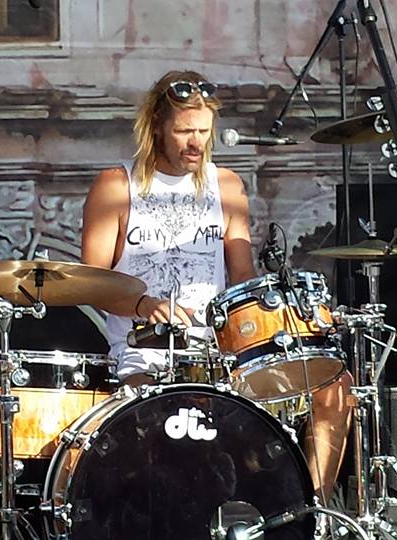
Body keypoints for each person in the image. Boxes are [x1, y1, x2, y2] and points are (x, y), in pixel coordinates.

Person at [80, 69, 352, 499]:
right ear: (156, 127)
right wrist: (144, 305)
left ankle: (313, 513)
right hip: (147, 355)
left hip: (221, 352)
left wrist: (288, 317)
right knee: (160, 431)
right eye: (184, 131)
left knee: (334, 387)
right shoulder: (116, 185)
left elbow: (242, 277)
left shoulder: (225, 186)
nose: (196, 143)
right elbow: (91, 283)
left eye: (204, 132)